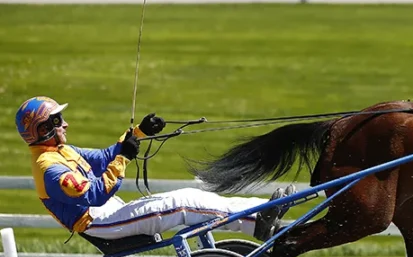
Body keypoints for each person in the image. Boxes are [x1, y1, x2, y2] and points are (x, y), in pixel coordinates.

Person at [15, 96, 291, 242]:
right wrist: (123, 159)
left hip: (109, 213)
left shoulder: (60, 151)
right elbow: (96, 194)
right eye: (58, 120)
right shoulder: (49, 168)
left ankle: (259, 212)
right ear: (43, 129)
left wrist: (139, 132)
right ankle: (257, 220)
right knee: (183, 203)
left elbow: (103, 157)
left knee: (189, 197)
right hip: (101, 223)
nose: (65, 124)